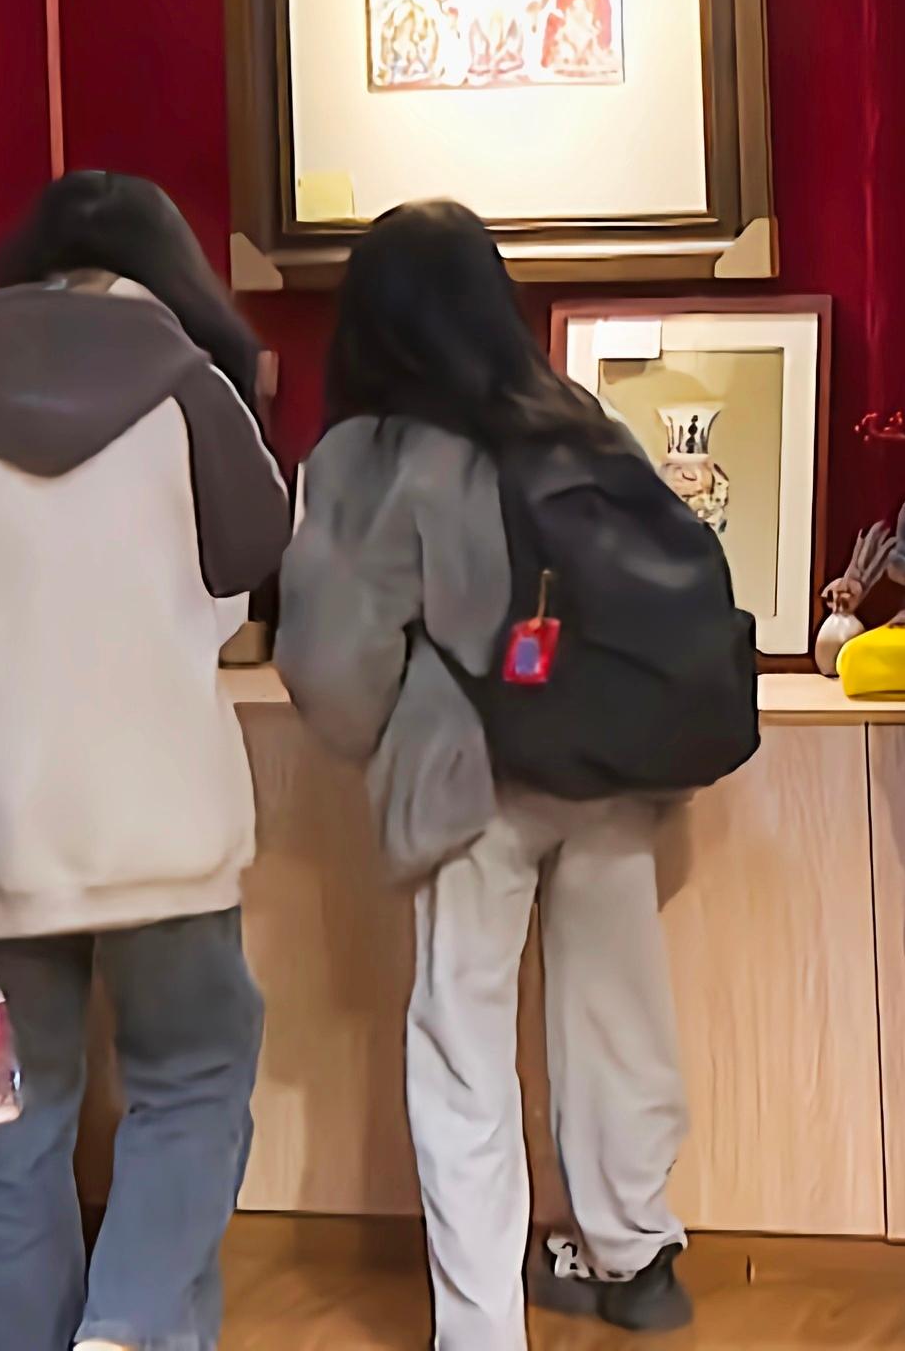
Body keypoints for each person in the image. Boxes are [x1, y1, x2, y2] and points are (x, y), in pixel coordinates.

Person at [278, 201, 736, 1347]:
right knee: (616, 1008)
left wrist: (395, 730)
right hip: (611, 760)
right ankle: (635, 1254)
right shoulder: (581, 421)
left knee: (461, 1040)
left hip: (469, 778)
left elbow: (328, 664)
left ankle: (482, 1325)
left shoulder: (372, 454)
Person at [0, 171, 291, 1351]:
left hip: (0, 852)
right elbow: (257, 543)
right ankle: (128, 1328)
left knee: (9, 1136)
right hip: (170, 837)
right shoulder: (187, 386)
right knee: (193, 1086)